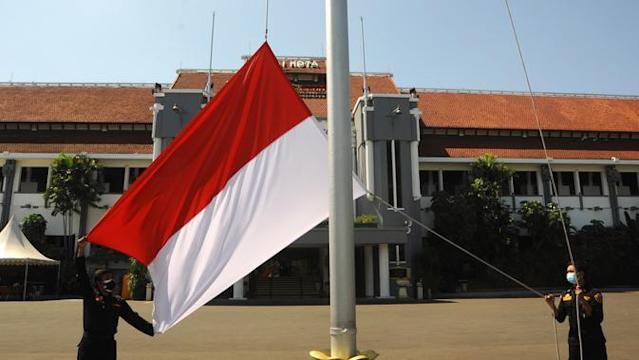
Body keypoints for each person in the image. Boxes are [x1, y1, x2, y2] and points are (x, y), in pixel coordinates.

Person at [75, 237, 154, 360]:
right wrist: (81, 249)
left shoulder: (118, 302)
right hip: (90, 346)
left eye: (110, 277)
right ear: (98, 283)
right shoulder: (90, 297)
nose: (109, 281)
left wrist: (154, 329)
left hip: (108, 346)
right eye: (105, 278)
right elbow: (81, 273)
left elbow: (133, 319)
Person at [545, 262, 607, 360]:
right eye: (568, 272)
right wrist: (551, 304)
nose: (569, 274)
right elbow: (560, 317)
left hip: (593, 340)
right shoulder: (566, 294)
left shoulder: (594, 293)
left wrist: (582, 299)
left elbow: (597, 318)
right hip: (575, 341)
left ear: (581, 274)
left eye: (571, 271)